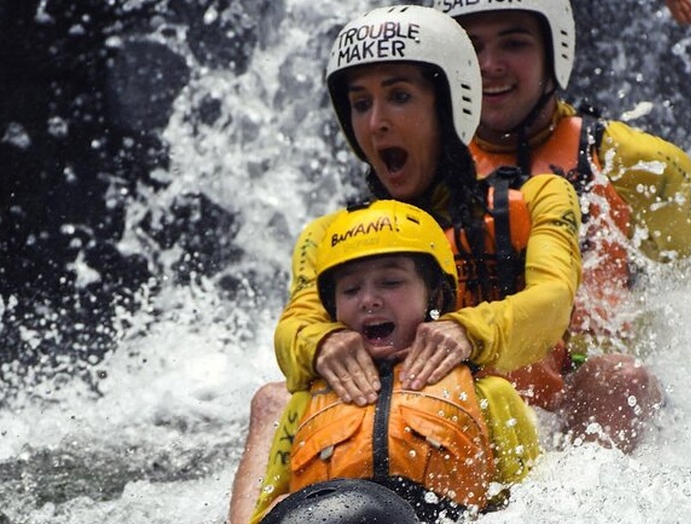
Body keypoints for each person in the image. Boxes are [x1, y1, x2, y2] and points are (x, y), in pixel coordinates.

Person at [229, 6, 583, 523]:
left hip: (526, 416)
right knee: (272, 400)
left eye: (399, 97)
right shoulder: (327, 236)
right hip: (404, 430)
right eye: (360, 103)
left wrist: (469, 331)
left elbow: (554, 301)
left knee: (617, 375)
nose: (377, 123)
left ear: (451, 102)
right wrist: (322, 342)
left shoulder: (541, 197)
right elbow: (295, 327)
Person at [436, 0, 691, 452]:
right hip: (473, 385)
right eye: (470, 47)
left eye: (513, 43)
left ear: (555, 51)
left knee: (619, 378)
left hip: (594, 390)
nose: (489, 65)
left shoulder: (642, 166)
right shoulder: (425, 166)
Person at [256, 199, 531, 523]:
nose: (369, 300)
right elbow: (267, 509)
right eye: (350, 289)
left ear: (435, 296)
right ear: (332, 309)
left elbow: (531, 500)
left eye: (391, 282)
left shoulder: (488, 395)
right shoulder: (302, 405)